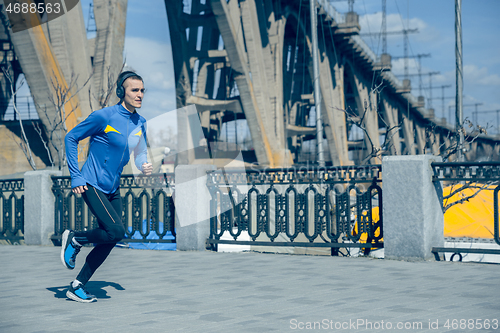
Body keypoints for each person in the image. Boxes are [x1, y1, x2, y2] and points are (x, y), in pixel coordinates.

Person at [61, 71, 153, 303]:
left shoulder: (140, 122)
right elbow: (71, 137)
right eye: (135, 90)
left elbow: (139, 150)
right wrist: (76, 176)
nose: (140, 94)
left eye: (142, 90)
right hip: (92, 183)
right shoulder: (104, 116)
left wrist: (143, 164)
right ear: (122, 92)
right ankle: (75, 239)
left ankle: (77, 286)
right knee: (116, 232)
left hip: (113, 187)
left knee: (111, 237)